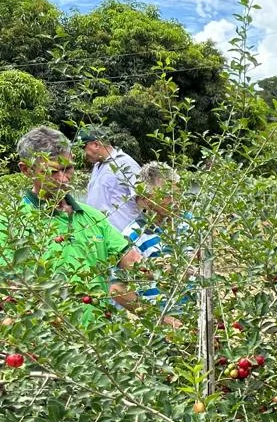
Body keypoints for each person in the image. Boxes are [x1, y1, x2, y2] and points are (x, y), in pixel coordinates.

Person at [1, 126, 141, 316]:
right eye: (52, 172)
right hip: (44, 342)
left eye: (68, 168)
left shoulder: (93, 217)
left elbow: (133, 262)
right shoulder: (9, 225)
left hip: (99, 341)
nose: (63, 179)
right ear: (26, 170)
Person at [120, 162, 194, 324]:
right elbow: (119, 290)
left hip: (197, 318)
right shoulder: (131, 237)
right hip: (161, 330)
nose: (175, 200)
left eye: (177, 192)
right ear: (144, 200)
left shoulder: (189, 223)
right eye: (167, 195)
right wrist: (163, 320)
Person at [78, 126, 142, 232]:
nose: (83, 153)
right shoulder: (97, 165)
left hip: (123, 235)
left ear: (96, 144)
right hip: (102, 234)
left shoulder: (124, 163)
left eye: (83, 147)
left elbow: (143, 197)